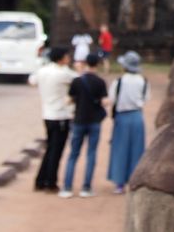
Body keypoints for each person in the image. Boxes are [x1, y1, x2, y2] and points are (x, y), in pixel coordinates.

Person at [29, 46, 77, 192]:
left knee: (50, 148)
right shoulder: (63, 74)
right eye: (67, 56)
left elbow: (32, 81)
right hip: (61, 115)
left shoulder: (43, 71)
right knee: (56, 151)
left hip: (47, 114)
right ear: (61, 59)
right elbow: (79, 79)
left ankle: (40, 180)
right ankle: (50, 182)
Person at [61, 52, 108, 197]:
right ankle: (86, 188)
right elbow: (105, 102)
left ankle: (67, 187)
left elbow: (68, 100)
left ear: (85, 63)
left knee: (73, 154)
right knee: (91, 154)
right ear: (98, 64)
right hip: (94, 121)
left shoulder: (77, 81)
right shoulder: (100, 82)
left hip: (79, 120)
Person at [106, 51, 147, 194]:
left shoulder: (119, 81)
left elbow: (112, 99)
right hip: (137, 116)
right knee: (137, 149)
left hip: (122, 117)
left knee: (120, 149)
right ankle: (135, 180)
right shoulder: (143, 81)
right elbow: (145, 99)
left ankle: (119, 183)